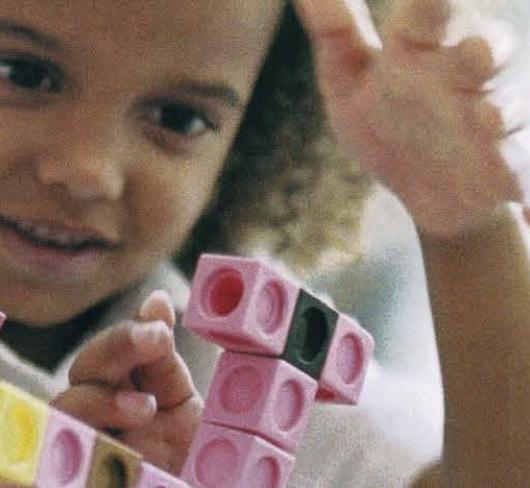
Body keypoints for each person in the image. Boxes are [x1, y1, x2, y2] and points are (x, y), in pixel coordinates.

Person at [0, 0, 528, 486]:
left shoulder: (236, 363)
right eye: (23, 73)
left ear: (254, 132)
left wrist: (469, 236)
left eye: (177, 117)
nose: (88, 171)